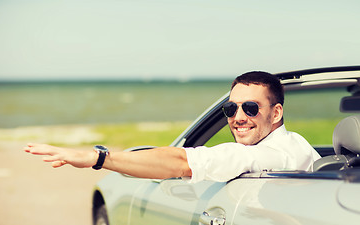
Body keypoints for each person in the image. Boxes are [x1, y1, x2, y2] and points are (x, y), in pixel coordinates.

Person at [24, 71, 320, 183]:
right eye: (230, 108)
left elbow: (180, 161)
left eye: (251, 108)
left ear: (276, 112)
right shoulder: (301, 147)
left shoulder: (262, 156)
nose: (238, 117)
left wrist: (98, 158)